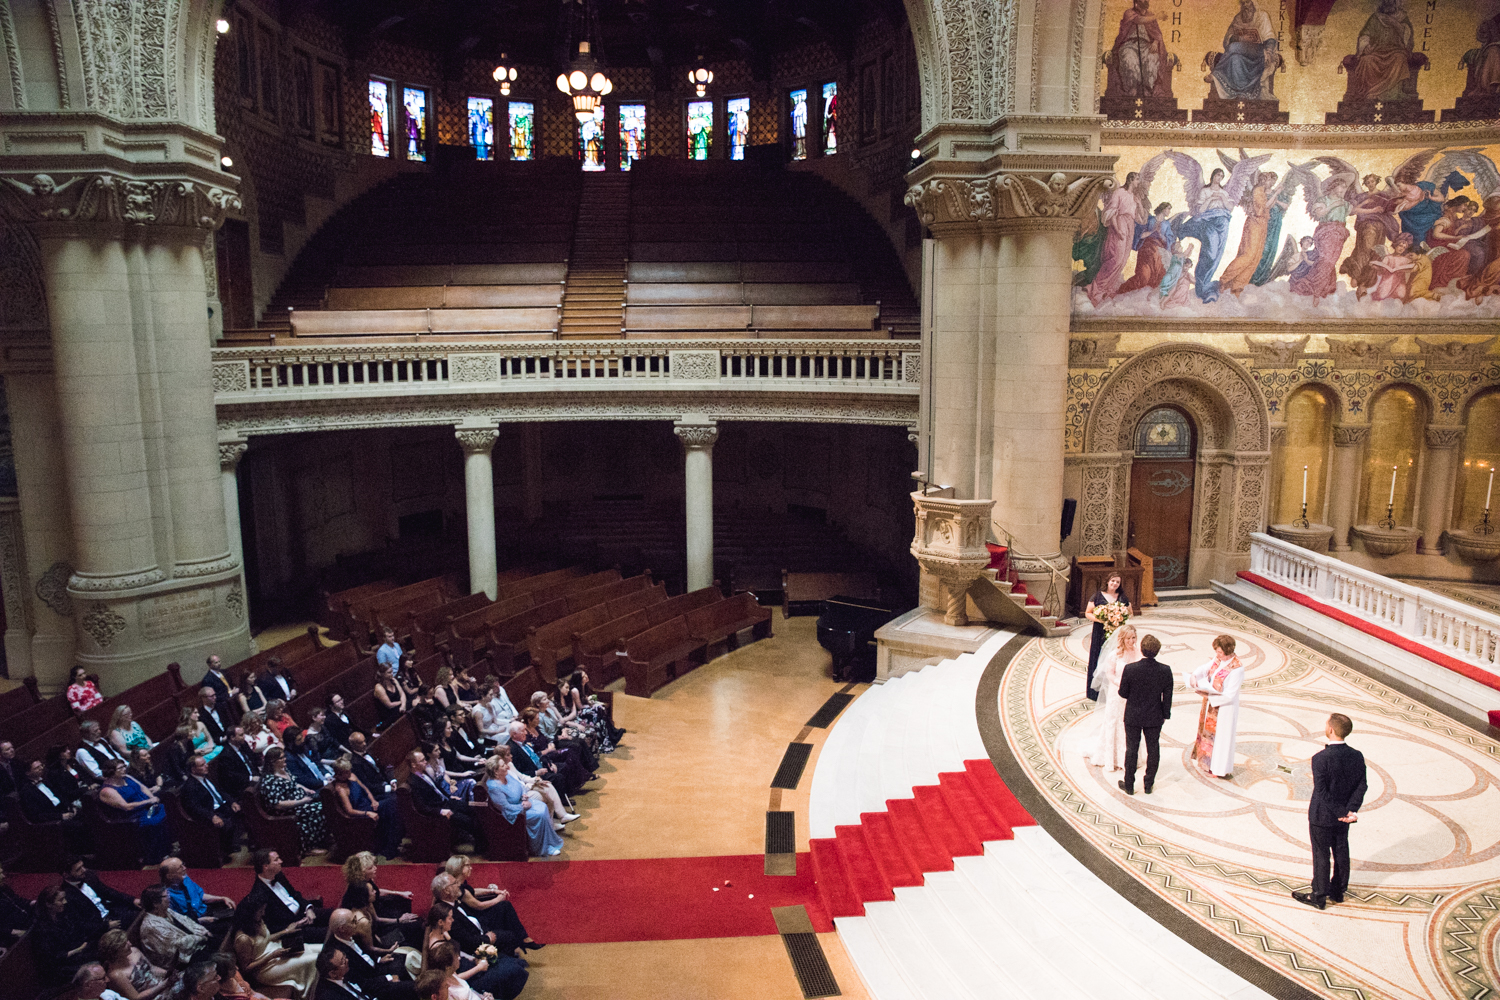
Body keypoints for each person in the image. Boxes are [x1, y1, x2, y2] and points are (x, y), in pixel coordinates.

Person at [1294, 713, 1368, 910]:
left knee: (1321, 854)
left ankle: (1318, 894)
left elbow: (1322, 791)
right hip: (1344, 817)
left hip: (1322, 815)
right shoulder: (1356, 756)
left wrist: (1339, 812)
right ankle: (1338, 890)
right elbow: (1362, 785)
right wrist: (1350, 810)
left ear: (1331, 730)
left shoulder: (1320, 759)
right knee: (1341, 850)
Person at [441, 856, 543, 955]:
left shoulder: (460, 883)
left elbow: (472, 891)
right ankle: (519, 941)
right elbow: (479, 905)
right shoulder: (457, 888)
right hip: (476, 918)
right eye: (467, 865)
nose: (471, 868)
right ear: (459, 868)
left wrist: (493, 891)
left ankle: (521, 940)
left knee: (505, 907)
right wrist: (498, 899)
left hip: (474, 913)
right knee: (504, 906)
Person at [1116, 633, 1173, 796]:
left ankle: (1129, 784)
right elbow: (1167, 697)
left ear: (1141, 649)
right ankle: (1148, 784)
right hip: (1154, 715)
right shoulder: (1165, 670)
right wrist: (1165, 715)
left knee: (1131, 749)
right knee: (1153, 749)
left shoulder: (1130, 669)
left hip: (1133, 714)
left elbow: (1123, 693)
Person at [232, 899, 320, 999]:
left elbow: (265, 939)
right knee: (314, 959)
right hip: (264, 969)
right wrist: (272, 956)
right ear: (250, 914)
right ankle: (311, 995)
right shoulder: (243, 939)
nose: (263, 913)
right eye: (260, 911)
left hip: (276, 951)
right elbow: (246, 968)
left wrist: (286, 931)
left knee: (321, 949)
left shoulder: (257, 922)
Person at [1186, 634, 1246, 780]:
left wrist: (1209, 695)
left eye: (1220, 652)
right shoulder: (1219, 659)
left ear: (1228, 651)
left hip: (1225, 708)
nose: (1217, 655)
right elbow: (1205, 668)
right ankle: (1207, 763)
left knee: (1221, 739)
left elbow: (1230, 694)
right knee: (1209, 733)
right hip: (1212, 703)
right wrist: (1194, 676)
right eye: (1216, 652)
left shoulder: (1237, 669)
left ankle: (1219, 768)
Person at [1340, 0, 1422, 103]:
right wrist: (1366, 46)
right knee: (1366, 60)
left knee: (1399, 59)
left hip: (1395, 50)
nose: (1388, 2)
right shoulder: (1376, 18)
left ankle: (1392, 94)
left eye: (1391, 0)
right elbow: (1365, 34)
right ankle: (1370, 94)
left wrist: (1395, 24)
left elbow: (1407, 36)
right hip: (1376, 50)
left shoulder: (1402, 17)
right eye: (1386, 0)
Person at [324, 908, 414, 1000]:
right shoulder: (339, 956)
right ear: (342, 929)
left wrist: (378, 960)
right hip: (372, 983)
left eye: (356, 919)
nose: (357, 923)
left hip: (375, 966)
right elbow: (362, 983)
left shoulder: (351, 933)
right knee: (409, 986)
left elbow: (364, 952)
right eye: (353, 921)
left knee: (403, 957)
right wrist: (388, 977)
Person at [405, 750, 485, 853]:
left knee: (473, 809)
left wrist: (450, 797)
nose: (426, 762)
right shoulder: (413, 782)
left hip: (446, 802)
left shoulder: (423, 773)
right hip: (439, 810)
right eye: (422, 760)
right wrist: (441, 811)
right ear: (413, 765)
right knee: (467, 821)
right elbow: (422, 807)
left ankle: (483, 840)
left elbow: (437, 789)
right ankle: (482, 846)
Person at [483, 756, 563, 857]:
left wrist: (524, 796)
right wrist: (523, 807)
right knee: (539, 814)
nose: (507, 767)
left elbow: (520, 786)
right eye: (503, 765)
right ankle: (540, 848)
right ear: (496, 771)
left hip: (522, 803)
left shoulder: (506, 776)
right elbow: (505, 808)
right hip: (511, 814)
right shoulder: (494, 787)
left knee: (543, 806)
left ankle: (548, 842)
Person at [1084, 625, 1137, 773]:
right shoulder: (1114, 655)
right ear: (1122, 639)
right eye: (1128, 638)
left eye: (1133, 638)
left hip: (1132, 694)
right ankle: (1111, 758)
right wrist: (1120, 683)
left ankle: (1125, 757)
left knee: (1128, 723)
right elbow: (1110, 674)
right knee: (1114, 721)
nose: (1131, 641)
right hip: (1117, 692)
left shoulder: (1137, 652)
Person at [98, 759, 173, 864]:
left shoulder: (127, 777)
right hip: (133, 815)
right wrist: (148, 801)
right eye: (120, 768)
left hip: (148, 806)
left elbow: (142, 788)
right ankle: (158, 854)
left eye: (124, 766)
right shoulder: (107, 791)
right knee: (156, 821)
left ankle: (170, 846)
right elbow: (126, 806)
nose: (124, 769)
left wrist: (153, 798)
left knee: (170, 811)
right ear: (111, 771)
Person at [259, 747, 330, 857]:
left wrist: (305, 789)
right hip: (288, 810)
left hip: (300, 801)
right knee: (319, 809)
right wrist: (301, 801)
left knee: (326, 803)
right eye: (281, 758)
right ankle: (309, 847)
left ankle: (323, 839)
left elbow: (294, 783)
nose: (285, 759)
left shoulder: (284, 770)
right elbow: (277, 805)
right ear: (273, 762)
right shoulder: (269, 781)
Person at [340, 852, 418, 949]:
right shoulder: (361, 891)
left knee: (401, 901)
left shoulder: (367, 881)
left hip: (377, 909)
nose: (375, 868)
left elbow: (376, 891)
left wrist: (399, 893)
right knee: (413, 926)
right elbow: (376, 919)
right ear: (362, 871)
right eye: (370, 868)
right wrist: (400, 920)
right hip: (376, 923)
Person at [1204, 0, 1279, 101]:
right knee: (1235, 58)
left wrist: (1269, 52)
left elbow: (1270, 37)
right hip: (1240, 53)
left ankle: (1216, 74)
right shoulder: (1238, 18)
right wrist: (1238, 38)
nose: (1245, 6)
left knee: (1233, 48)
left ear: (1253, 3)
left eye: (1247, 2)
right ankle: (1239, 91)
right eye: (1242, 3)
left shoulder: (1262, 16)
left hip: (1258, 53)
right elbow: (1227, 40)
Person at [242, 849, 330, 934]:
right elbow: (269, 926)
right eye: (276, 860)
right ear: (266, 866)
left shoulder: (278, 875)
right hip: (295, 928)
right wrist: (296, 924)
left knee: (336, 916)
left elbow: (294, 894)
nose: (281, 861)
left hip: (303, 912)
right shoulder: (259, 893)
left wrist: (308, 908)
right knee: (330, 932)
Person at [330, 760, 403, 861]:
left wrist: (373, 801)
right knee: (393, 805)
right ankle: (390, 848)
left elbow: (365, 789)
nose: (350, 772)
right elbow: (349, 811)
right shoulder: (340, 789)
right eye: (347, 771)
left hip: (369, 804)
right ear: (340, 773)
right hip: (361, 811)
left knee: (394, 806)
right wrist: (367, 813)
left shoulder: (352, 776)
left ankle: (390, 846)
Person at [1102, 0, 1175, 99]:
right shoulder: (1129, 13)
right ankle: (1131, 90)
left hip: (1147, 45)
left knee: (1152, 60)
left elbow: (1157, 33)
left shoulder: (1150, 15)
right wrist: (1157, 16)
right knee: (1129, 60)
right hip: (1129, 45)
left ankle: (1148, 90)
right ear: (1137, 2)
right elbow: (1139, 20)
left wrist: (1155, 42)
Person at [490, 745, 574, 829]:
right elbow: (515, 789)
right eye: (508, 755)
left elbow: (522, 777)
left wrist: (536, 780)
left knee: (547, 785)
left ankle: (557, 819)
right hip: (521, 795)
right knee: (544, 795)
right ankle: (554, 822)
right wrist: (534, 782)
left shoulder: (510, 764)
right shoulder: (502, 771)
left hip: (525, 788)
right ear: (500, 758)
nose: (511, 756)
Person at [136, 885, 213, 970]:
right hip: (179, 962)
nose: (170, 898)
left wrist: (204, 931)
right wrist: (202, 937)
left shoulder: (166, 910)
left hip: (193, 946)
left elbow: (187, 921)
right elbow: (177, 945)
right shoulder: (151, 926)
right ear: (155, 903)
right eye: (166, 896)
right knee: (218, 955)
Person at [33, 883, 96, 983]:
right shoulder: (42, 928)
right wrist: (79, 949)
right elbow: (53, 958)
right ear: (48, 904)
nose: (65, 902)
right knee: (96, 965)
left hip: (75, 955)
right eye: (61, 900)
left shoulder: (62, 916)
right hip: (61, 967)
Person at [161, 857, 236, 940]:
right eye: (180, 867)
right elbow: (178, 922)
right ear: (170, 876)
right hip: (194, 924)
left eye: (183, 865)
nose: (184, 868)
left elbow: (200, 895)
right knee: (228, 927)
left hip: (206, 910)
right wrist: (200, 920)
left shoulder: (185, 879)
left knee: (235, 911)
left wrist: (222, 898)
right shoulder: (166, 896)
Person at [181, 753, 243, 854]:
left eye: (205, 763)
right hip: (211, 812)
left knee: (245, 809)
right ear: (193, 769)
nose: (207, 766)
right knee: (227, 823)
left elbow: (220, 791)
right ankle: (227, 849)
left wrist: (232, 802)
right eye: (202, 765)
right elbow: (194, 807)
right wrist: (212, 816)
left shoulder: (207, 777)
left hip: (223, 806)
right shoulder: (190, 787)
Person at [62, 856, 140, 935]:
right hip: (100, 926)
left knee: (143, 910)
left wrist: (132, 900)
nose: (84, 870)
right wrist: (105, 926)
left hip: (111, 911)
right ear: (66, 875)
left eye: (83, 866)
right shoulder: (66, 895)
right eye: (78, 869)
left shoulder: (88, 876)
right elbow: (79, 924)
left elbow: (108, 892)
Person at [1082, 573, 1127, 702]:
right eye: (1113, 581)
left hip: (1116, 632)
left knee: (1114, 659)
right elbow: (1087, 613)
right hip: (1099, 631)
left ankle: (1113, 690)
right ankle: (1094, 692)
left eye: (1117, 582)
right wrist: (1103, 620)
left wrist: (1118, 618)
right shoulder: (1097, 596)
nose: (1115, 584)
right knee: (1097, 657)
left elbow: (1129, 613)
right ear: (1107, 581)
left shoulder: (1122, 597)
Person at [99, 929, 174, 1000]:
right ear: (116, 951)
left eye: (127, 941)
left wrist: (169, 973)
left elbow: (152, 969)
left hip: (163, 985)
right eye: (125, 944)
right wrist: (164, 985)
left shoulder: (134, 951)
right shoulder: (116, 975)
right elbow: (136, 998)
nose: (130, 944)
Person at [215, 727, 260, 800]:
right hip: (242, 785)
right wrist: (250, 778)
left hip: (255, 776)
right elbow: (232, 775)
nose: (244, 737)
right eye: (241, 735)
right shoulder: (226, 755)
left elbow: (252, 759)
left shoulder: (243, 744)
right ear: (232, 737)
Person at [373, 665, 408, 731]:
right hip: (389, 713)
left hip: (399, 707)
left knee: (415, 702)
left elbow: (402, 694)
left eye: (392, 671)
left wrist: (403, 705)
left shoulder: (393, 680)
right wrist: (402, 702)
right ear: (382, 674)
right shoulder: (379, 687)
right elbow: (389, 705)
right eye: (389, 672)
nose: (392, 674)